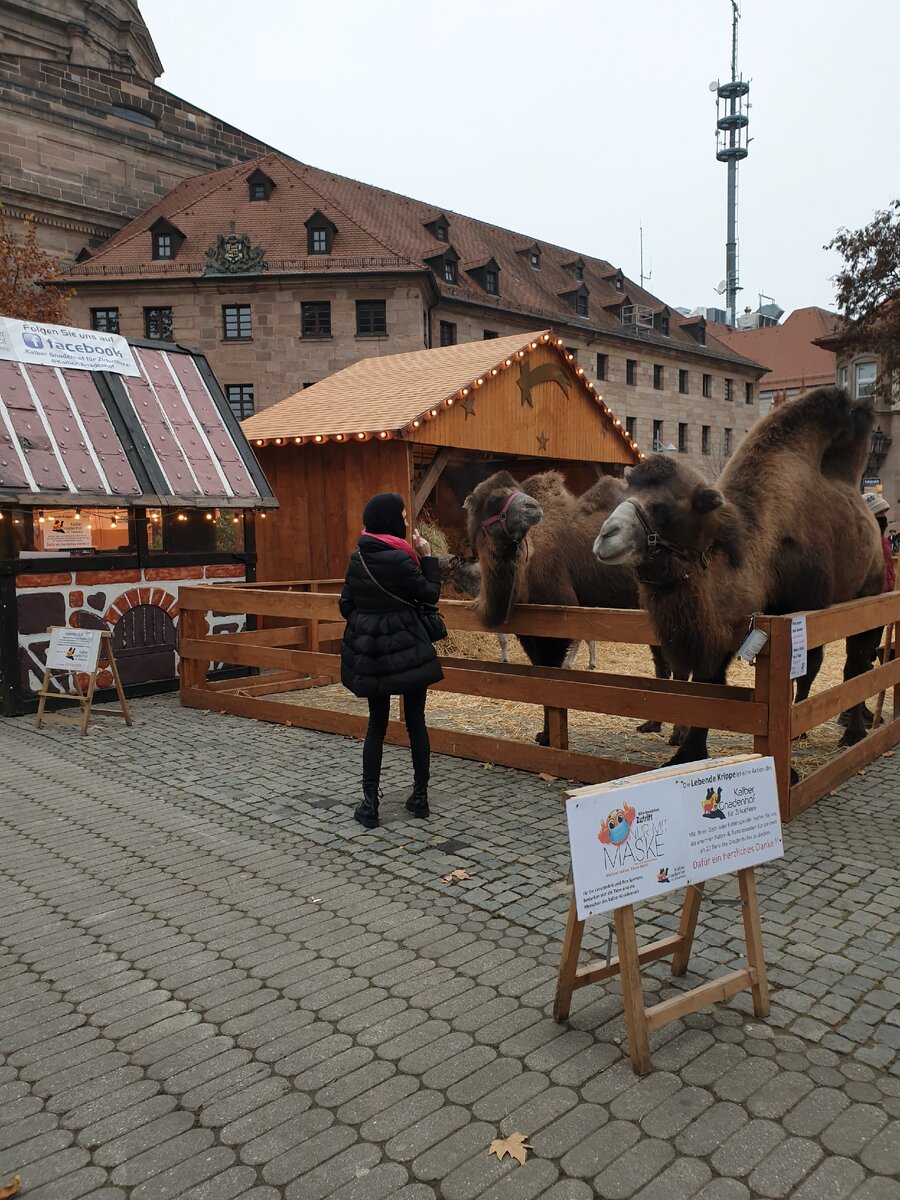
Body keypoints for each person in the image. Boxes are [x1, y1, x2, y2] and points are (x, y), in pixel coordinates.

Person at [339, 493, 443, 829]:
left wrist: (370, 621)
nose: (406, 522)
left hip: (373, 652)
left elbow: (346, 605)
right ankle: (420, 798)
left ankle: (370, 805)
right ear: (389, 521)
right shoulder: (402, 560)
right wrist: (428, 557)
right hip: (408, 648)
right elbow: (429, 593)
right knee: (416, 722)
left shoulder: (358, 559)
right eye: (402, 516)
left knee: (376, 724)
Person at [863, 493, 896, 593]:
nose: (883, 518)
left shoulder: (883, 540)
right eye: (879, 514)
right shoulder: (864, 544)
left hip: (887, 597)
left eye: (883, 514)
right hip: (872, 600)